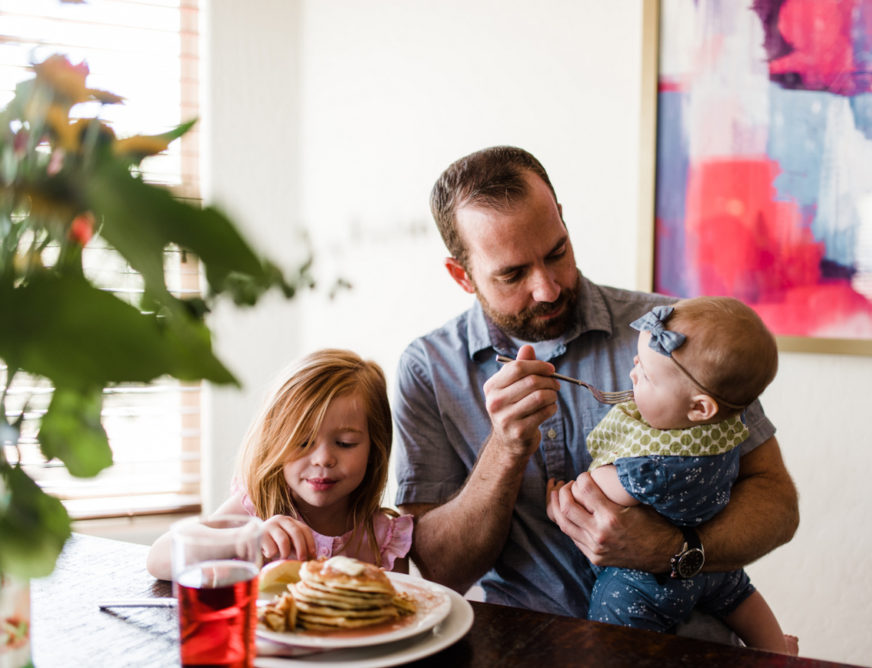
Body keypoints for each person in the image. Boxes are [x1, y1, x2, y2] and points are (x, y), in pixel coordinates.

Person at [392, 146, 798, 639]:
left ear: (561, 219)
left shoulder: (675, 335)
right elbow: (438, 572)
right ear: (462, 275)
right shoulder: (429, 370)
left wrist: (674, 549)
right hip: (523, 649)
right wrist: (505, 448)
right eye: (513, 274)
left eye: (556, 252)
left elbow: (777, 502)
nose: (546, 288)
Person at [547, 297, 795, 653]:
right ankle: (776, 649)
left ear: (699, 407)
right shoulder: (727, 424)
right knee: (740, 595)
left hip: (649, 583)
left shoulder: (655, 466)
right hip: (714, 569)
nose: (632, 373)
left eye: (645, 375)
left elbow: (596, 490)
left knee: (611, 614)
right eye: (637, 362)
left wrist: (560, 499)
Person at [147, 349, 412, 580]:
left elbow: (405, 612)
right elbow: (159, 558)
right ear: (275, 441)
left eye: (344, 443)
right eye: (303, 442)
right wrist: (243, 539)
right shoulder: (254, 511)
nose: (323, 459)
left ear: (375, 449)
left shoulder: (386, 540)